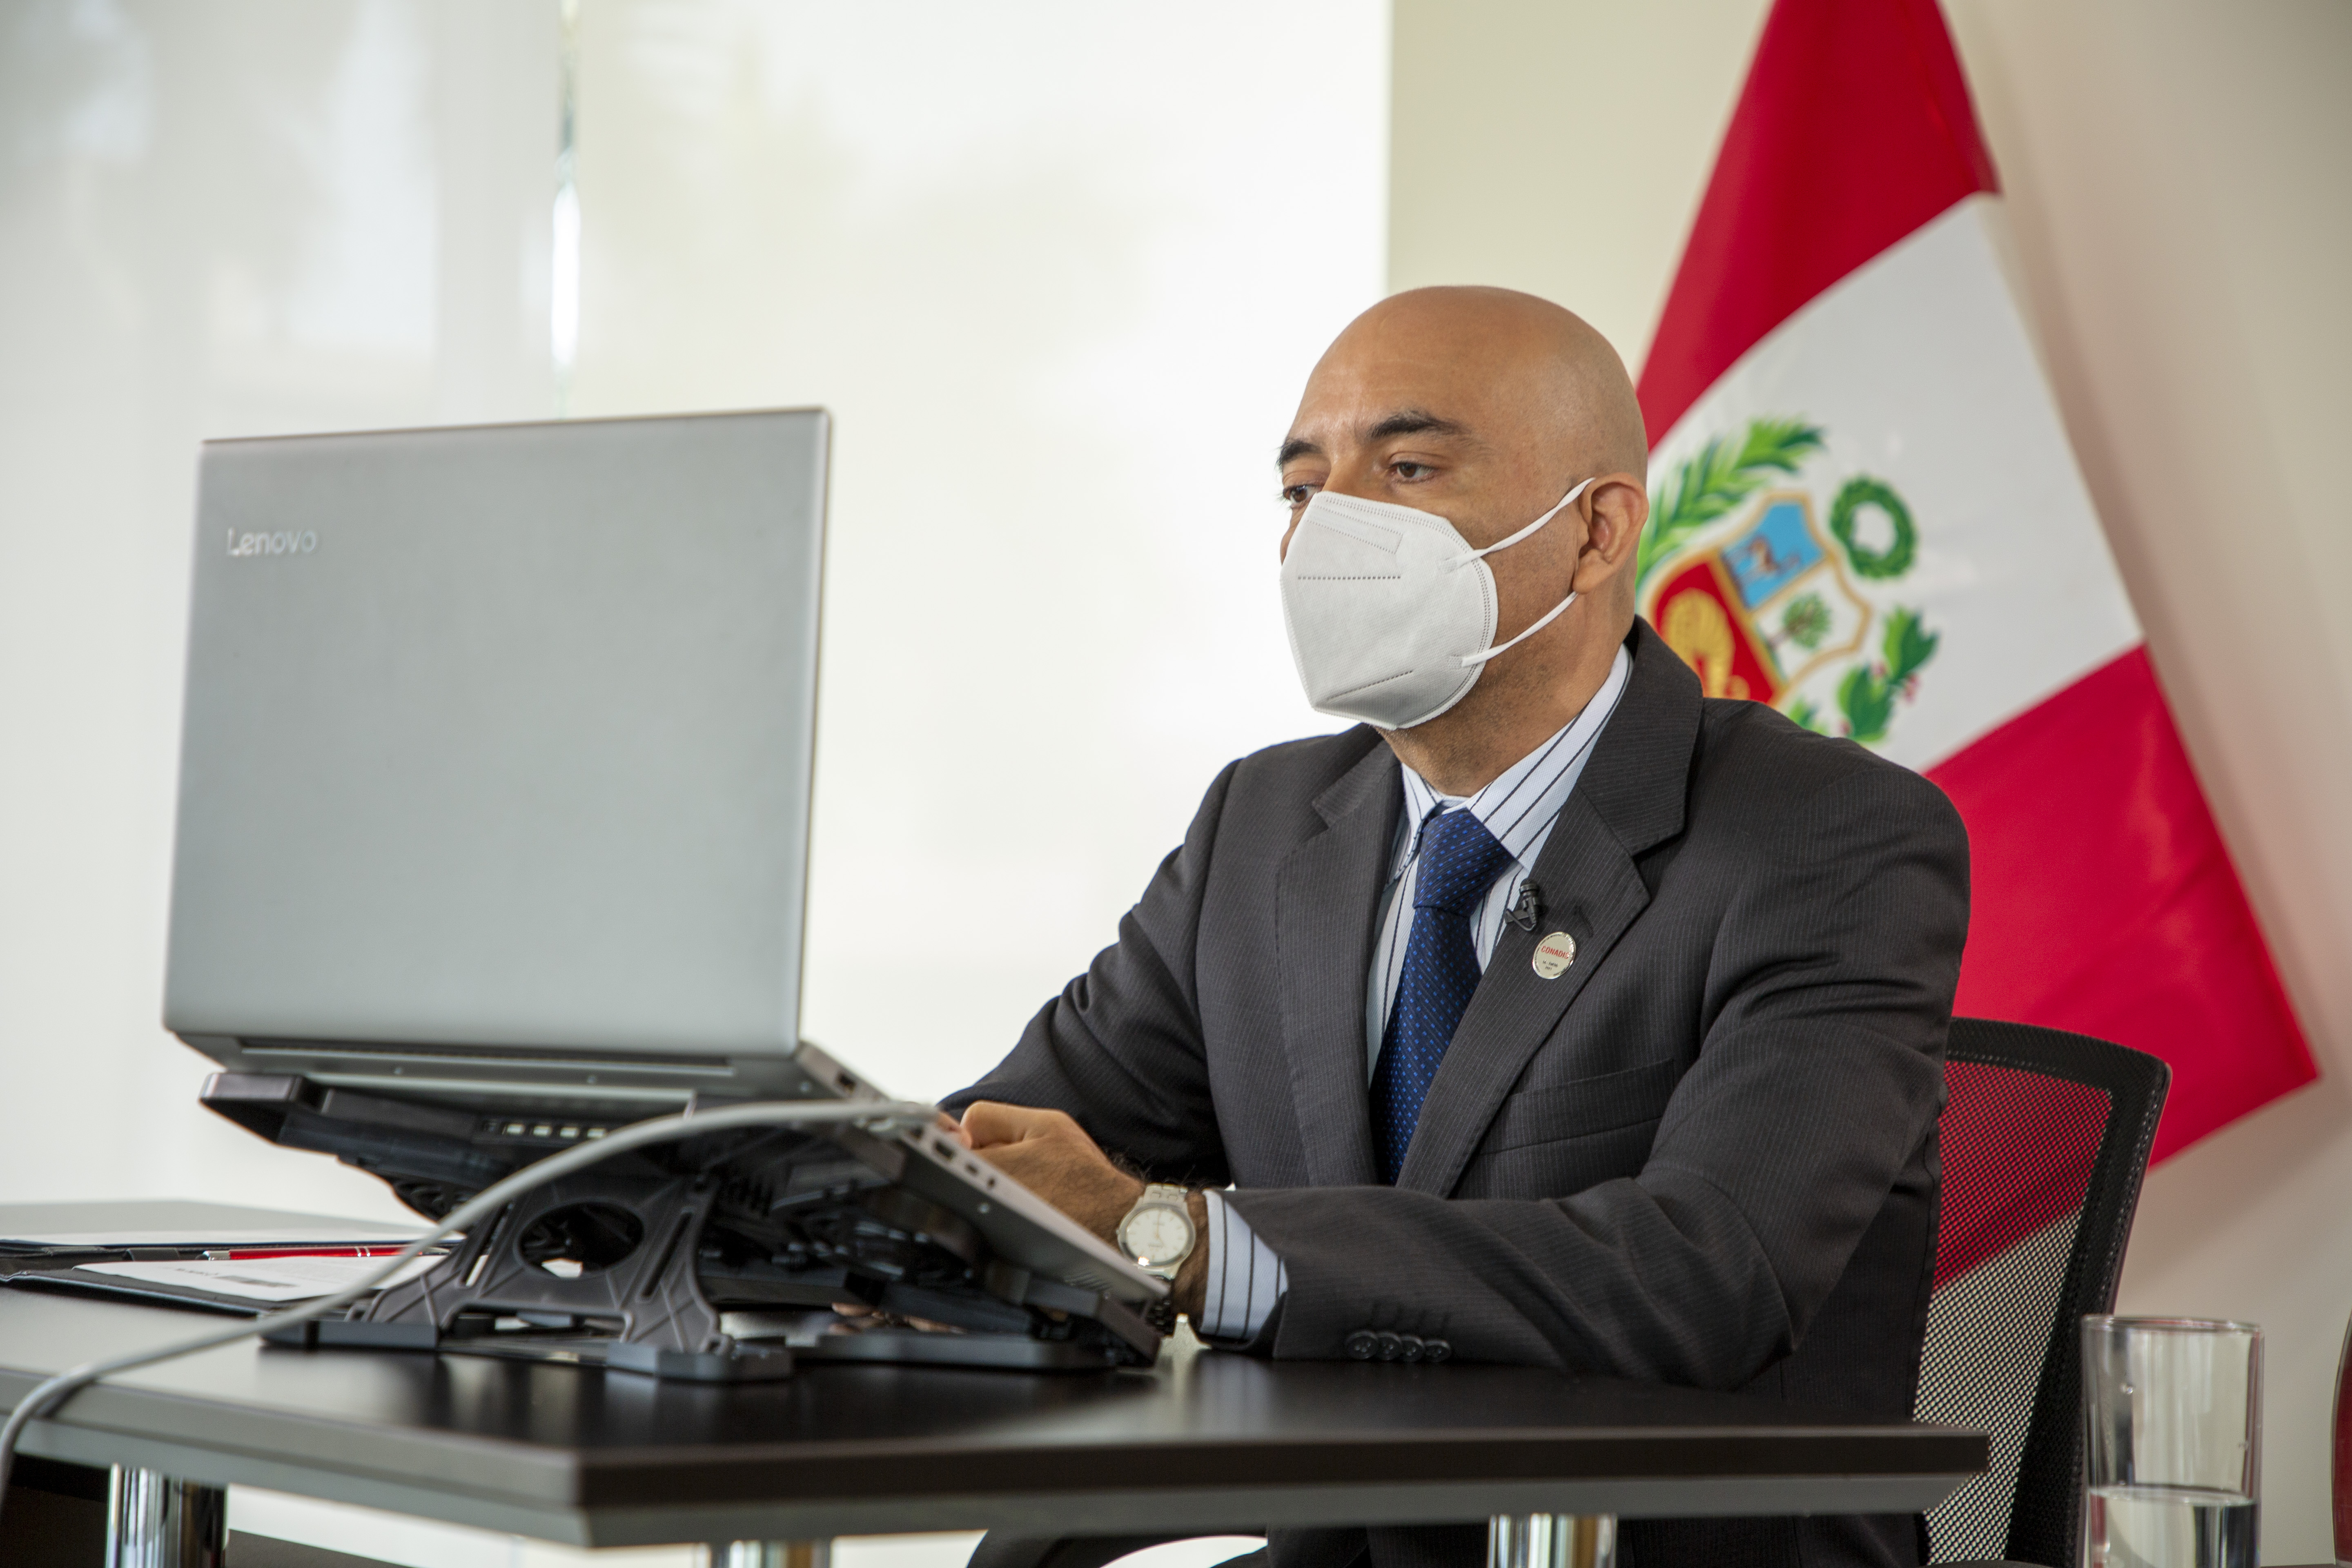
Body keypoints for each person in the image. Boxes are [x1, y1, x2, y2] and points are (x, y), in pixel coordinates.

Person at [944, 286, 1969, 1568]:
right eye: (1304, 488)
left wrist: (1184, 1241)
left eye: (1410, 467)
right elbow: (1024, 1149)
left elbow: (1706, 1274)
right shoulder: (1265, 824)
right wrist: (804, 1181)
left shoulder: (1832, 839)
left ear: (1596, 533)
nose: (1331, 530)